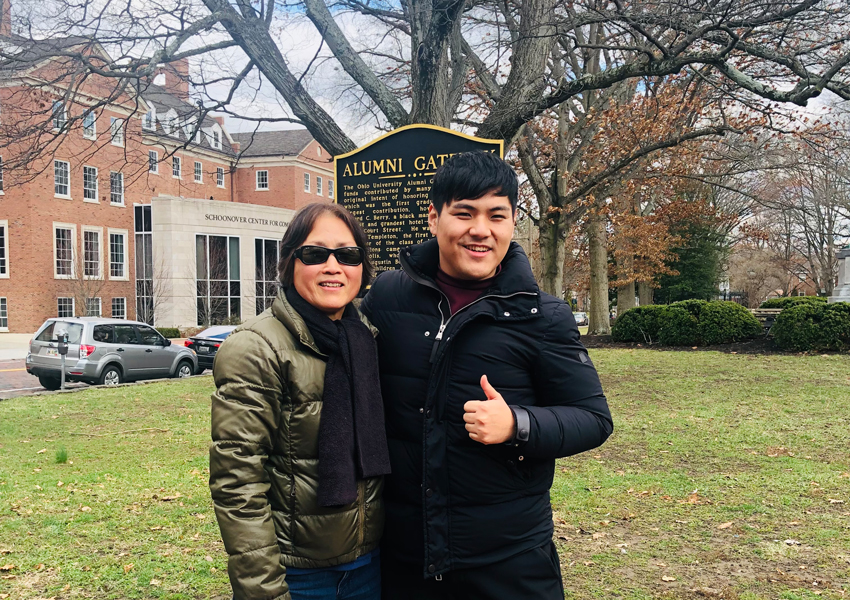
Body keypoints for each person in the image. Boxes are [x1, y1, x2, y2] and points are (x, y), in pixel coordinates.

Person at [360, 151, 613, 599]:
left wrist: (519, 424)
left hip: (507, 559)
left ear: (512, 221)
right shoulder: (386, 295)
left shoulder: (543, 315)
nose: (481, 229)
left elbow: (593, 418)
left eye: (496, 215)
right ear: (434, 218)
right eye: (464, 213)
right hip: (404, 554)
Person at [210, 203, 390, 600]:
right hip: (300, 576)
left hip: (371, 565)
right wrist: (265, 590)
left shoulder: (366, 340)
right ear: (290, 262)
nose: (333, 266)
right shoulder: (255, 348)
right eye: (315, 254)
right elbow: (237, 483)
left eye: (347, 255)